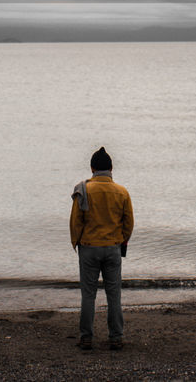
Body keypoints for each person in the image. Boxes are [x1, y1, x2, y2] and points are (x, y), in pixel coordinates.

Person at [69, 146, 134, 351]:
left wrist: (76, 242)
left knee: (88, 295)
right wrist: (121, 240)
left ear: (92, 168)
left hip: (89, 247)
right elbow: (128, 222)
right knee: (114, 295)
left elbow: (75, 222)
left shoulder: (83, 189)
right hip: (113, 247)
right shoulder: (122, 192)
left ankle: (86, 337)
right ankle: (116, 337)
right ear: (111, 169)